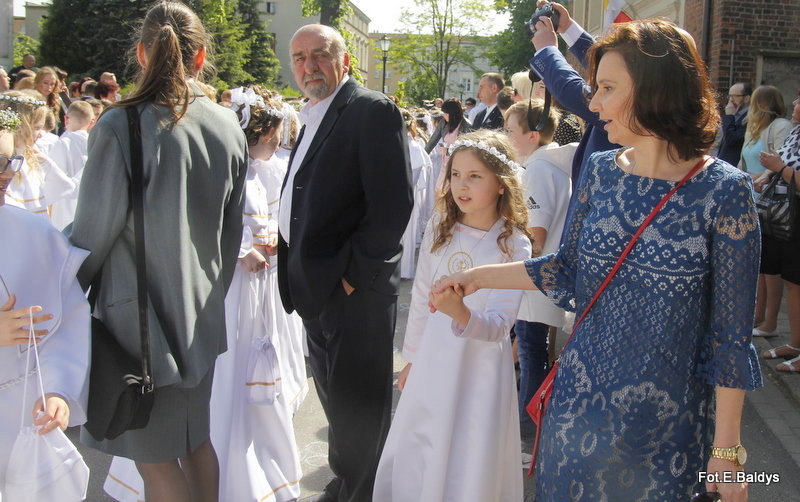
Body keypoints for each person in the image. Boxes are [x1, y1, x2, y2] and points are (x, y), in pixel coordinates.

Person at [433, 20, 761, 502]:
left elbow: (730, 338)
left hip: (669, 435)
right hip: (576, 415)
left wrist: (728, 453)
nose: (593, 103)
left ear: (656, 89)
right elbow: (567, 269)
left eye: (607, 88)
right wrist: (477, 277)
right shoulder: (602, 170)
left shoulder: (725, 192)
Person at [67, 2, 248, 501]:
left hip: (140, 324)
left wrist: (54, 286)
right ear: (201, 56)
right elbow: (231, 233)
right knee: (196, 443)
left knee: (156, 462)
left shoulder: (121, 124)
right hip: (201, 316)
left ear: (142, 53)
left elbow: (91, 235)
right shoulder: (227, 124)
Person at [278, 23, 412, 502]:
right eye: (299, 58)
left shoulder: (370, 110)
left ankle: (361, 493)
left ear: (345, 60)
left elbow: (392, 205)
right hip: (316, 286)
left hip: (353, 291)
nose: (309, 66)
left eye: (319, 55)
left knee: (360, 408)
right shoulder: (313, 113)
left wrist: (354, 277)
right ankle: (346, 484)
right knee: (337, 402)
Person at [373, 130, 531, 502]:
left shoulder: (513, 244)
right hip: (433, 358)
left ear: (501, 183)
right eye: (456, 174)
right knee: (425, 438)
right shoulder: (439, 228)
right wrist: (411, 359)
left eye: (475, 176)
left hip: (479, 369)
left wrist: (460, 312)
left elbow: (499, 327)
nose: (461, 185)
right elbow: (420, 301)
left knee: (468, 447)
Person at [0, 109, 90, 496]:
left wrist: (57, 389)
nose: (7, 175)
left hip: (23, 416)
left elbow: (64, 321)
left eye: (11, 161)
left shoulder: (33, 233)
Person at [504, 98, 575, 437]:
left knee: (531, 352)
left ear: (532, 136)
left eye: (510, 131)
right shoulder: (550, 165)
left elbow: (537, 236)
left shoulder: (539, 169)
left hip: (536, 277)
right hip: (546, 277)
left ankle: (527, 427)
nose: (506, 137)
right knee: (533, 350)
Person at [738, 85, 792, 339]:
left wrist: (757, 178)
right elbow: (742, 162)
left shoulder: (780, 126)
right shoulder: (753, 128)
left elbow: (781, 161)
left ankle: (770, 322)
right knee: (759, 266)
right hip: (752, 201)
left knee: (771, 266)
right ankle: (757, 317)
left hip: (771, 204)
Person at [756, 91, 800, 373]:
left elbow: (785, 167)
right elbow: (780, 165)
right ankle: (795, 344)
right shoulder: (795, 133)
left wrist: (779, 167)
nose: (794, 103)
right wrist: (766, 175)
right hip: (784, 218)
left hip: (796, 217)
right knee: (791, 282)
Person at [1, 90, 77, 221]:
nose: (41, 134)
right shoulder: (8, 164)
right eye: (36, 128)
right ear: (20, 127)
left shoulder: (29, 158)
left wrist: (45, 162)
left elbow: (66, 186)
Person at [49, 101, 94, 230]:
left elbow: (54, 177)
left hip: (65, 201)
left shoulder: (62, 143)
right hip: (88, 199)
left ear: (66, 119)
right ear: (92, 122)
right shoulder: (94, 143)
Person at [400, 108, 432, 279]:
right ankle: (403, 269)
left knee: (406, 233)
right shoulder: (411, 145)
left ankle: (404, 269)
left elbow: (416, 174)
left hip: (406, 195)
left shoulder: (413, 146)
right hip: (407, 196)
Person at [717, 82, 752, 166]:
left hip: (735, 164)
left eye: (734, 96)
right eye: (729, 96)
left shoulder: (750, 117)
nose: (730, 100)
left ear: (746, 98)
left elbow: (732, 140)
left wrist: (729, 116)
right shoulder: (734, 114)